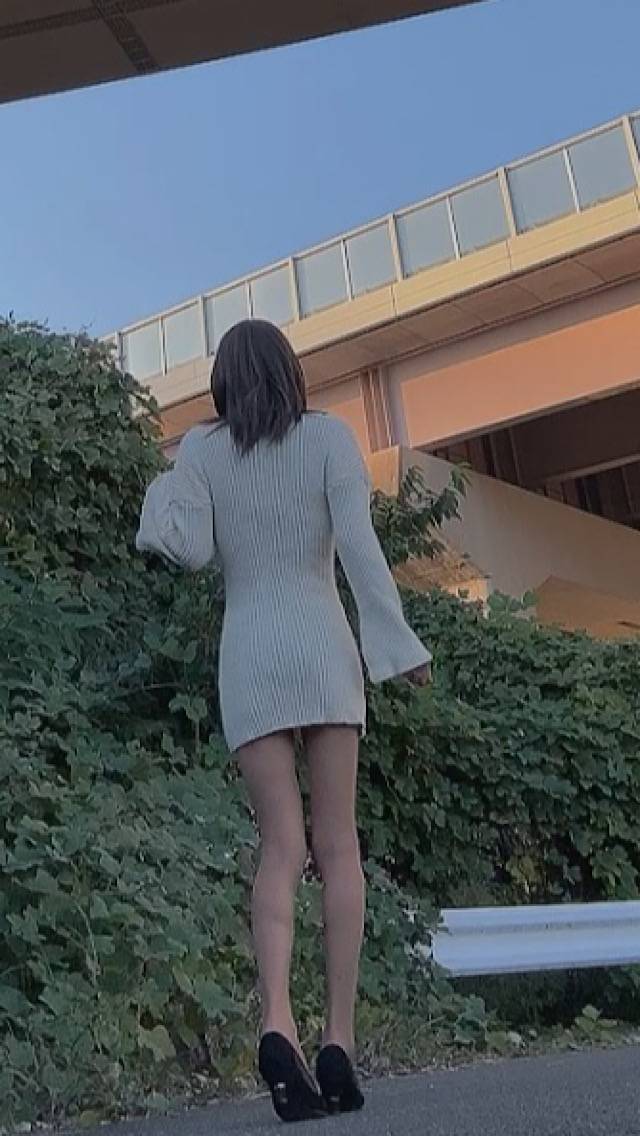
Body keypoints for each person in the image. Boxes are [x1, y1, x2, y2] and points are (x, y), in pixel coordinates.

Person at [136, 319, 432, 1123]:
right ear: (290, 371)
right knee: (338, 847)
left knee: (280, 848)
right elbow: (360, 546)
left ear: (223, 381)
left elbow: (190, 549)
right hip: (323, 648)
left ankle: (276, 1021)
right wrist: (397, 645)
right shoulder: (329, 437)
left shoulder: (201, 451)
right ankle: (338, 1037)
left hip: (250, 656)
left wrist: (165, 487)